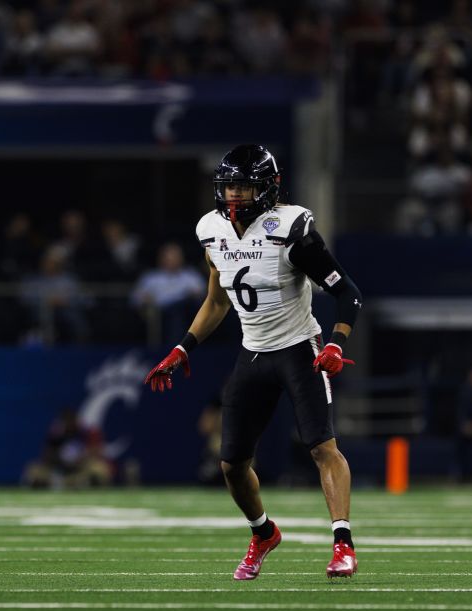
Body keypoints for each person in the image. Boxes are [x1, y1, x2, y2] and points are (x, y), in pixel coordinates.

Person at [143, 144, 364, 580]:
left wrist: (336, 343)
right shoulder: (212, 232)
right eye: (230, 186)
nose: (235, 196)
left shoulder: (290, 229)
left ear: (266, 188)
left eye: (244, 187)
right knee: (232, 465)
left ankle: (343, 545)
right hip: (253, 351)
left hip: (300, 348)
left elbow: (348, 293)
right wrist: (183, 347)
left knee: (323, 447)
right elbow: (217, 300)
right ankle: (263, 533)